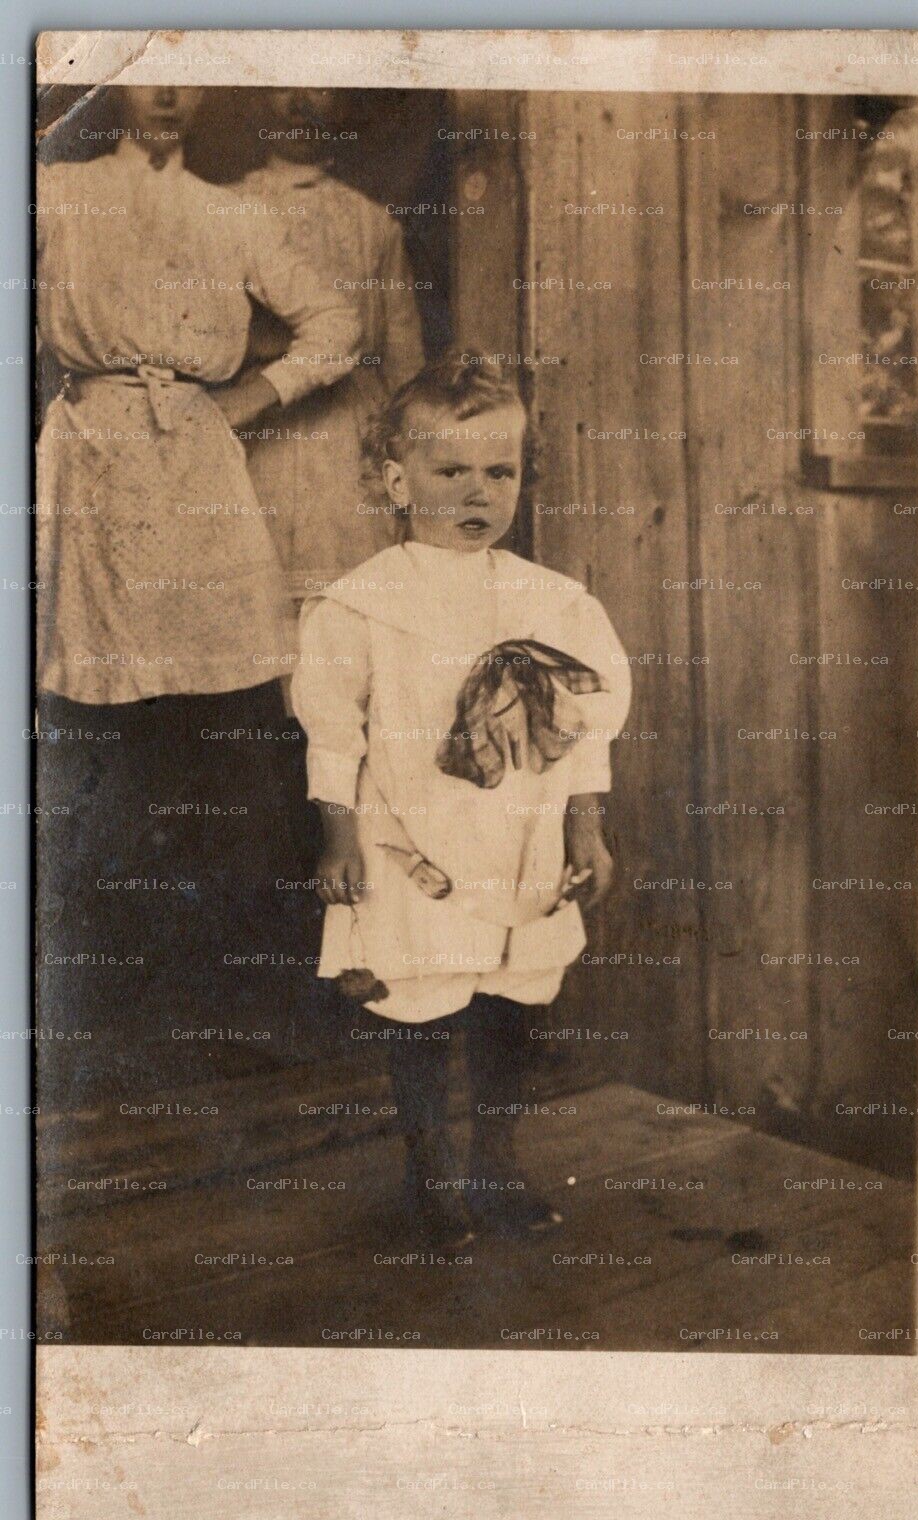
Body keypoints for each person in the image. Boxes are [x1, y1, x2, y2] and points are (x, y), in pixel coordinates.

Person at [35, 85, 362, 1032]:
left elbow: (336, 324)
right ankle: (102, 1002)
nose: (169, 94)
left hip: (197, 464)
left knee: (228, 717)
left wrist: (251, 397)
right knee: (96, 716)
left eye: (187, 72)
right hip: (91, 461)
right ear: (115, 79)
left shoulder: (232, 213)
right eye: (149, 69)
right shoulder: (55, 193)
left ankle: (246, 994)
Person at [291, 353, 631, 1248]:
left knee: (511, 996)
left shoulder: (552, 602)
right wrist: (338, 837)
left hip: (520, 837)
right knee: (419, 996)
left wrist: (586, 829)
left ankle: (497, 1159)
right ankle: (429, 1166)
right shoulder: (360, 605)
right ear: (396, 481)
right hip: (410, 837)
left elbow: (583, 727)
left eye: (499, 471)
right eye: (450, 472)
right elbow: (334, 733)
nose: (478, 492)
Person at [232, 88, 425, 620]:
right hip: (254, 437)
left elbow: (405, 369)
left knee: (350, 615)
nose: (298, 103)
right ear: (255, 100)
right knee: (258, 616)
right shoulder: (222, 208)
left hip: (348, 454)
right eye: (279, 85)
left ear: (342, 101)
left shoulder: (373, 224)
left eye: (316, 86)